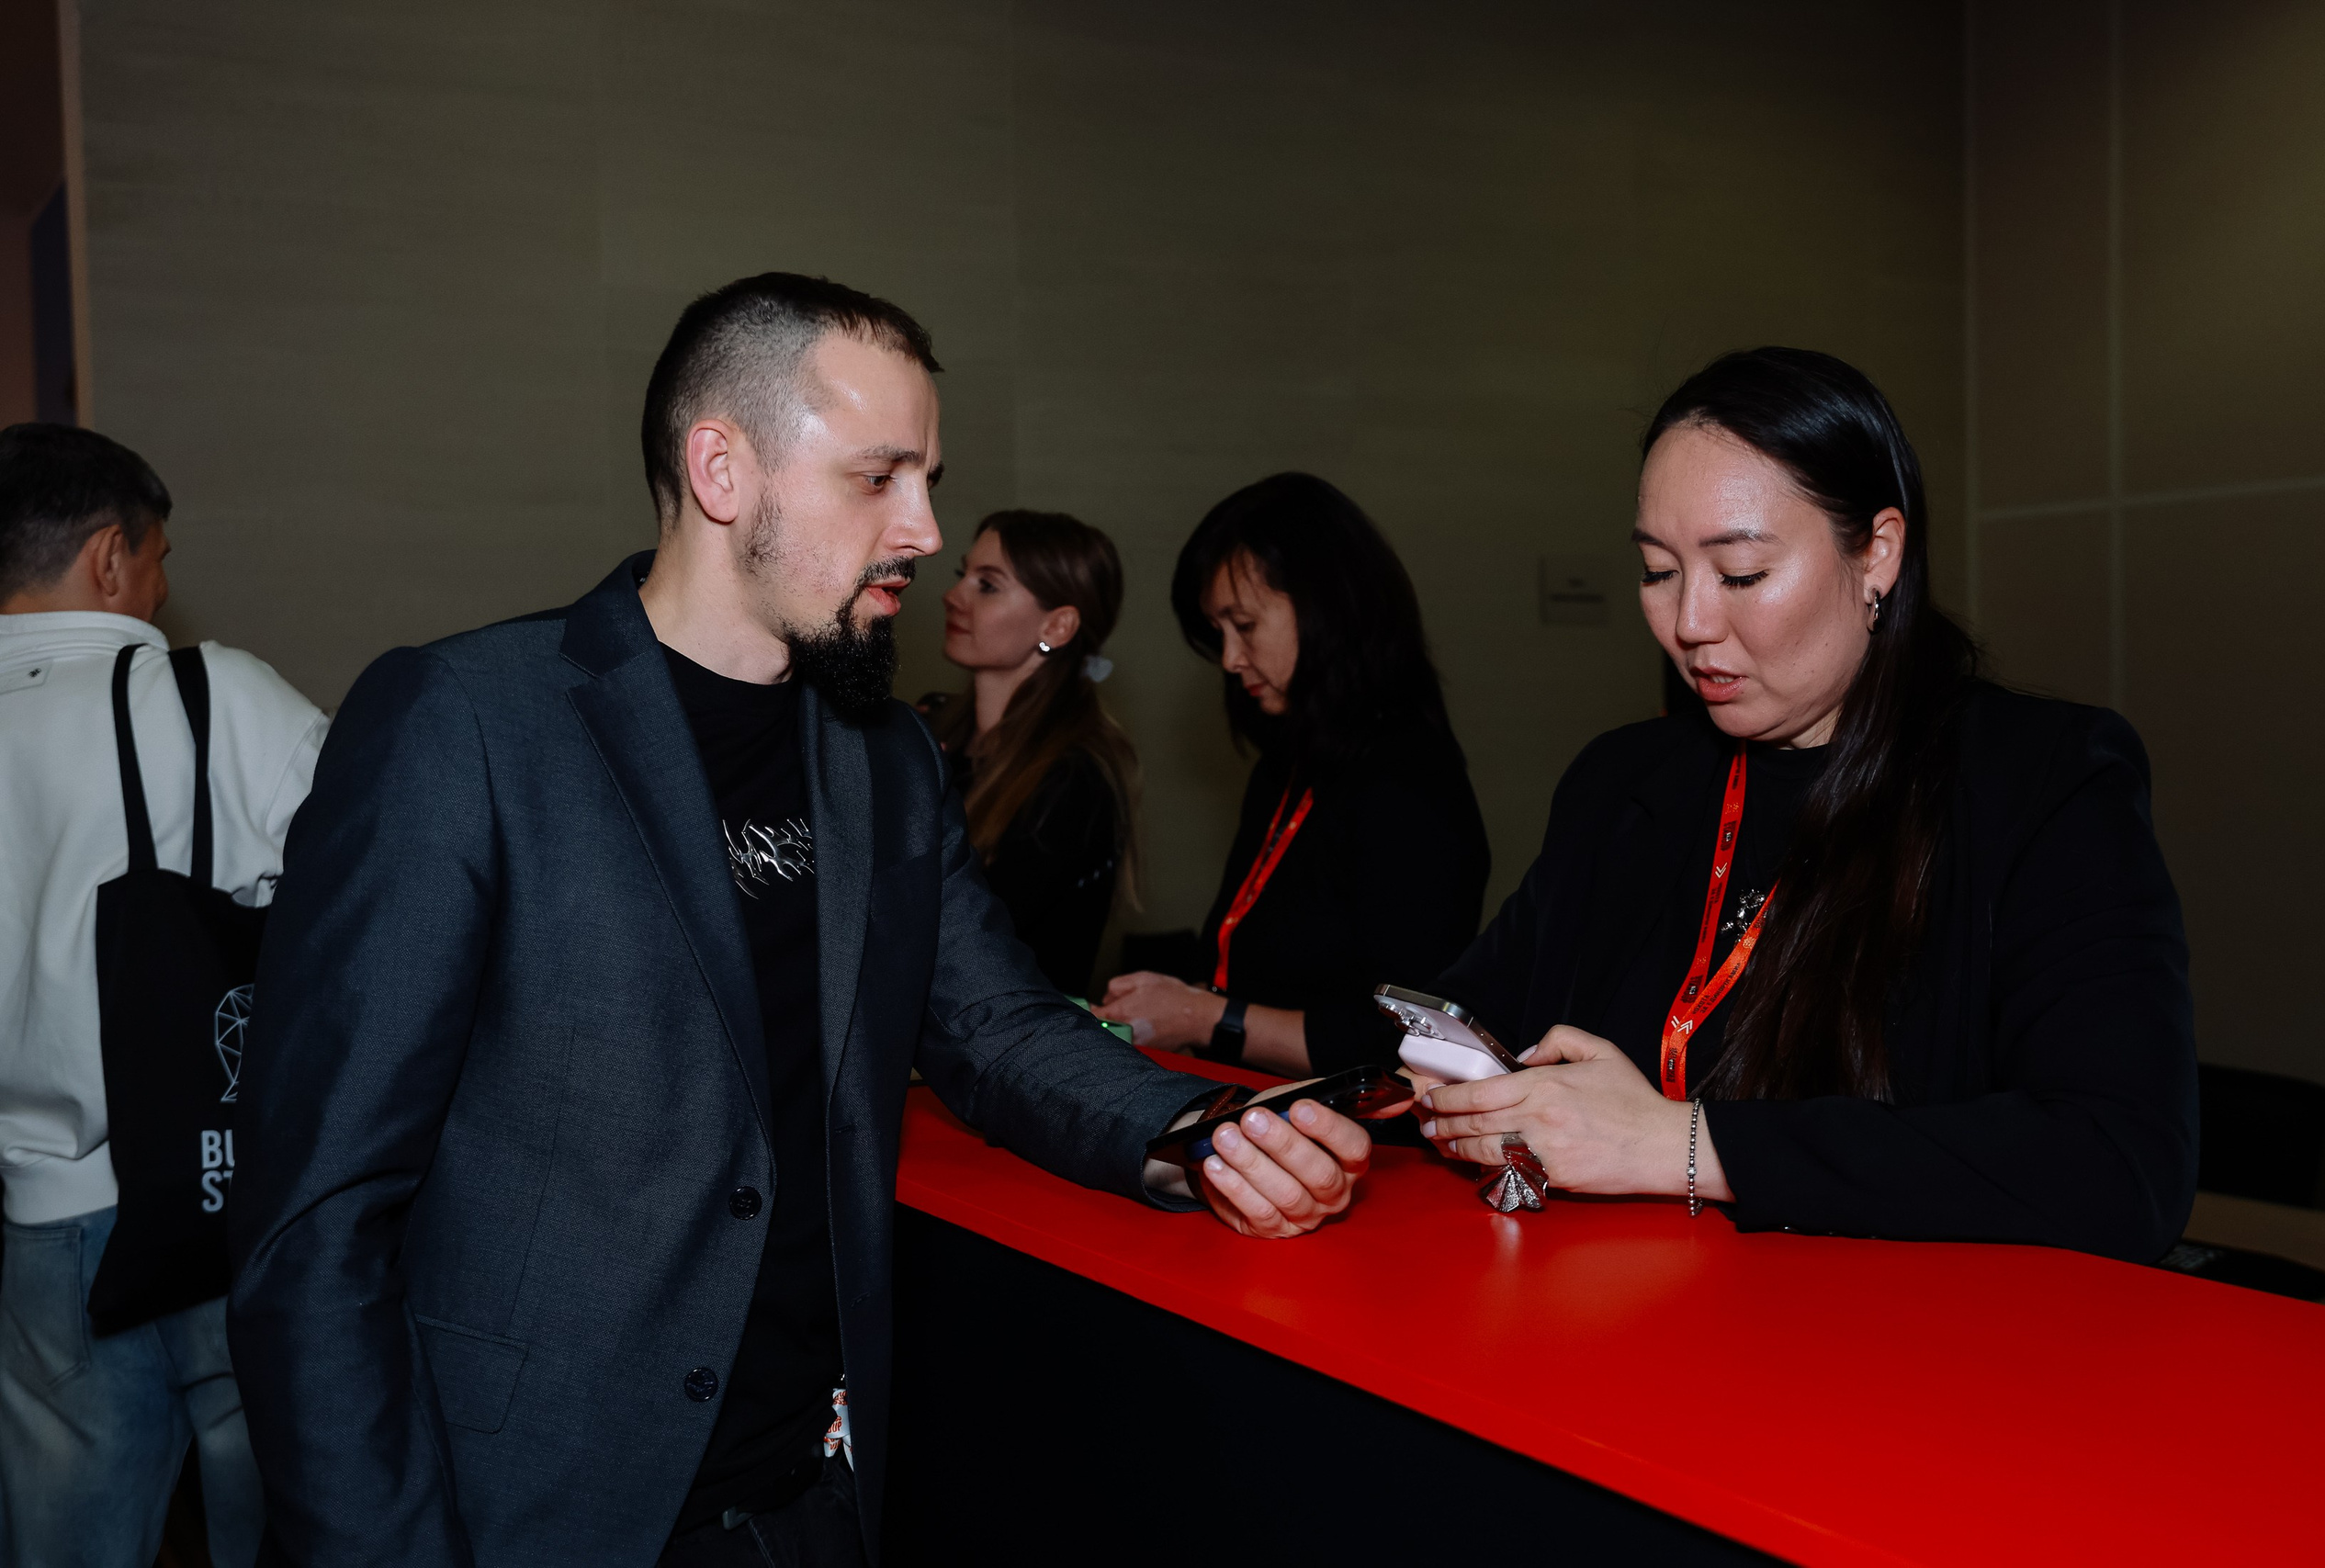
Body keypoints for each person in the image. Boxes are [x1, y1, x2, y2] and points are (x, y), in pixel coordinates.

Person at [225, 273, 1371, 1568]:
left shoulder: (885, 760)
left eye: (927, 479)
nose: (923, 528)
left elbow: (996, 1024)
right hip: (531, 1511)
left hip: (812, 1503)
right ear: (723, 470)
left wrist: (1201, 1132)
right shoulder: (468, 722)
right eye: (878, 477)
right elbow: (316, 1225)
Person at [1415, 348, 2195, 1262]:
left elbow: (2119, 1166)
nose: (1690, 623)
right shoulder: (1624, 782)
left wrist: (1684, 1145)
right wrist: (1351, 1108)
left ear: (1878, 553)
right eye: (1659, 571)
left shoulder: (2040, 780)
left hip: (1898, 1332)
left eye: (1741, 574)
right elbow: (1462, 1016)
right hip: (1619, 1311)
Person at [0, 423, 326, 1567]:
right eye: (156, 559)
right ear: (109, 556)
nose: (159, 588)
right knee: (285, 1522)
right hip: (225, 1195)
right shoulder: (208, 693)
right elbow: (382, 886)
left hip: (38, 1227)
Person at [1097, 474, 1490, 1077]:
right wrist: (1180, 1003)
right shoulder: (1288, 764)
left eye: (1245, 625)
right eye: (1219, 634)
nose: (1230, 660)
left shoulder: (1408, 785)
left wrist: (1201, 1016)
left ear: (1326, 607)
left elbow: (1399, 1039)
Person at [917, 511, 1136, 995]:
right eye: (962, 575)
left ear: (1057, 626)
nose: (953, 595)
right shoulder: (930, 730)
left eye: (987, 585)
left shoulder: (1071, 781)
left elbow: (966, 946)